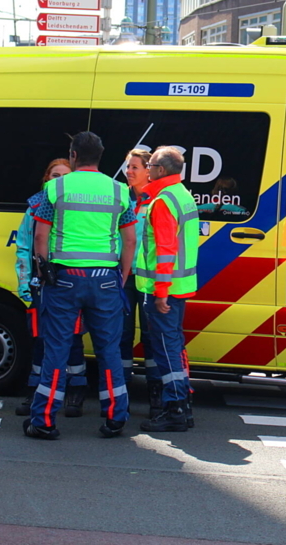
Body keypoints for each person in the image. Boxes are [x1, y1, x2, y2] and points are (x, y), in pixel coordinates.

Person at [26, 131, 137, 440]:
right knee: (109, 351)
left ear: (73, 155)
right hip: (105, 280)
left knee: (57, 350)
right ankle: (116, 416)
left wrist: (43, 267)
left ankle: (44, 419)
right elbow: (130, 239)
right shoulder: (119, 192)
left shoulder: (56, 188)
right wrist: (121, 276)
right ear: (100, 157)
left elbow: (39, 236)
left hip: (64, 279)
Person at [14, 158, 89, 417]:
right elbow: (24, 247)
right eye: (54, 175)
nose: (57, 180)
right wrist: (25, 282)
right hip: (41, 285)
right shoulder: (34, 207)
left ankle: (76, 390)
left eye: (63, 176)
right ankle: (35, 390)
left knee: (74, 338)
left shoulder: (76, 207)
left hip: (69, 281)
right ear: (46, 178)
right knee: (41, 339)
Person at [134, 146, 200, 433]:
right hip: (181, 287)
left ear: (160, 170)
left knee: (165, 349)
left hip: (165, 289)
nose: (147, 170)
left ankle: (174, 407)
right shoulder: (183, 196)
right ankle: (182, 406)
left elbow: (165, 250)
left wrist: (160, 291)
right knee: (173, 346)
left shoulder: (162, 201)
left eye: (150, 166)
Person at [123, 148, 162, 417]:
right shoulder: (122, 199)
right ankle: (121, 391)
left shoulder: (157, 199)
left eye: (134, 167)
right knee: (122, 334)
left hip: (148, 279)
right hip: (125, 276)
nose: (129, 172)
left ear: (148, 170)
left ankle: (156, 394)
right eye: (127, 166)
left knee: (151, 337)